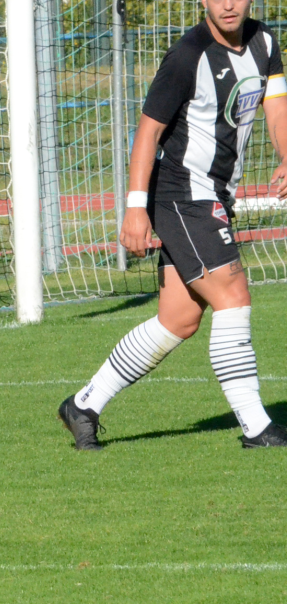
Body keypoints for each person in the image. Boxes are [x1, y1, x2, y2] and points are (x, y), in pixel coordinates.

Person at [59, 0, 287, 450]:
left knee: (178, 320)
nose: (228, 4)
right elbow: (148, 133)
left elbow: (276, 108)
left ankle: (84, 405)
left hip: (213, 193)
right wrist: (135, 208)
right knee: (233, 295)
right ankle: (257, 427)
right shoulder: (186, 56)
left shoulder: (265, 42)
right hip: (182, 193)